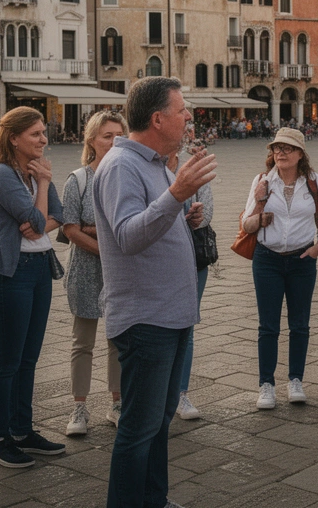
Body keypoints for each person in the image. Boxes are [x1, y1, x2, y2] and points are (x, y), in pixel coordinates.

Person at [94, 77, 217, 508]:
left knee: (158, 422)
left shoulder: (154, 163)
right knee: (138, 428)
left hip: (170, 313)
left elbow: (153, 222)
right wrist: (177, 194)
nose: (189, 118)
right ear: (157, 118)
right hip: (146, 318)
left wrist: (187, 216)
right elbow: (127, 235)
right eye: (182, 111)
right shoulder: (121, 165)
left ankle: (154, 499)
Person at [0, 107, 66, 468]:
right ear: (13, 137)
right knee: (7, 359)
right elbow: (35, 218)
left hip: (39, 269)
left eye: (44, 133)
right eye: (35, 134)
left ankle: (22, 430)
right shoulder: (2, 174)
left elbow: (58, 216)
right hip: (10, 273)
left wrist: (39, 214)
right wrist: (44, 184)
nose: (43, 140)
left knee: (28, 359)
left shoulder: (32, 171)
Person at [241, 128, 318, 409]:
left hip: (301, 261)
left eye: (288, 148)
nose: (281, 153)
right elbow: (246, 224)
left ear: (300, 154)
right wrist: (260, 213)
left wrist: (316, 250)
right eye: (277, 148)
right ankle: (266, 385)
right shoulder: (262, 182)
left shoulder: (314, 183)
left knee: (300, 324)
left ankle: (296, 380)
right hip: (267, 259)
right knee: (268, 326)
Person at [62, 111, 127, 436]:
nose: (114, 141)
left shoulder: (127, 177)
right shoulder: (78, 179)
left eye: (119, 135)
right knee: (82, 342)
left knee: (118, 340)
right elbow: (70, 228)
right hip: (87, 270)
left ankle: (116, 403)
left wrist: (96, 228)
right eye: (107, 136)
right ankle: (79, 407)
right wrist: (106, 246)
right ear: (92, 141)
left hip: (121, 274)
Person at [173, 142, 215, 420]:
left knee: (186, 326)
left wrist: (193, 219)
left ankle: (181, 394)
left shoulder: (192, 166)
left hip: (192, 258)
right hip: (156, 260)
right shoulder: (142, 167)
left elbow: (207, 213)